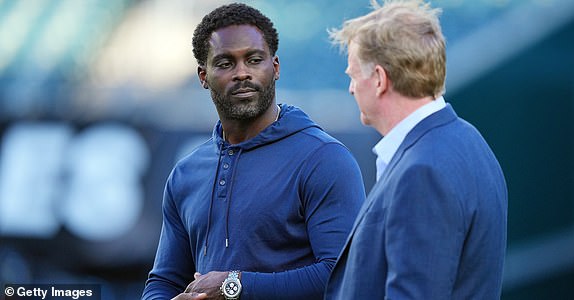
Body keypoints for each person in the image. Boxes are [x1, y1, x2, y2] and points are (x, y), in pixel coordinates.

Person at [141, 3, 366, 300]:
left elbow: (345, 276)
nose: (242, 73)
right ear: (203, 76)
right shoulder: (186, 173)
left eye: (254, 59)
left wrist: (233, 285)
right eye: (225, 63)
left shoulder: (324, 159)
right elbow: (164, 281)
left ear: (275, 68)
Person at [325, 0, 508, 299]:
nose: (351, 88)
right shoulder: (469, 140)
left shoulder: (422, 173)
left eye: (353, 75)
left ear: (380, 80)